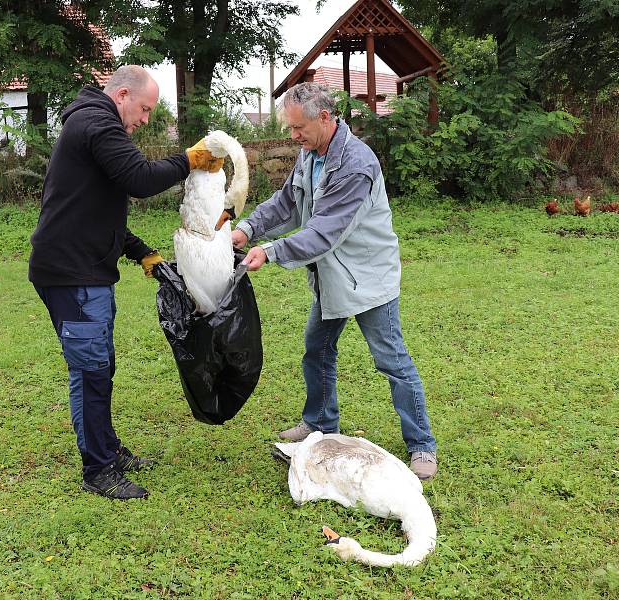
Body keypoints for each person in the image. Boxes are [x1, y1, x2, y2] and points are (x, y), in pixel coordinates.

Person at [29, 65, 224, 499]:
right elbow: (139, 179)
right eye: (145, 109)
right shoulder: (97, 123)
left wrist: (141, 253)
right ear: (121, 95)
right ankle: (99, 470)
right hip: (72, 275)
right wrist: (187, 160)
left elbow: (94, 209)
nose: (146, 119)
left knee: (98, 367)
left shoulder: (91, 123)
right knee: (93, 370)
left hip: (82, 268)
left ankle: (107, 450)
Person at [232, 83, 438, 480]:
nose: (293, 137)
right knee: (317, 349)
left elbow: (325, 232)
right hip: (332, 277)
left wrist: (271, 252)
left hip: (367, 278)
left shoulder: (355, 164)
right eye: (290, 128)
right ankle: (320, 424)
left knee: (391, 360)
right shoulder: (310, 154)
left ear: (324, 118)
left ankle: (422, 445)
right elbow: (288, 203)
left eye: (298, 128)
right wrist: (248, 229)